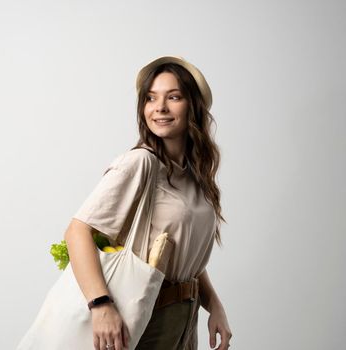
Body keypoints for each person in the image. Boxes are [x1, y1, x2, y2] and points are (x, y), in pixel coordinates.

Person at [64, 56, 232, 350]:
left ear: (193, 106)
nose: (160, 108)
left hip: (184, 321)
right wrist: (100, 304)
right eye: (151, 98)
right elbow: (77, 232)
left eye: (174, 97)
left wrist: (214, 304)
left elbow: (181, 250)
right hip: (144, 317)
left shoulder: (196, 177)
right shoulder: (141, 163)